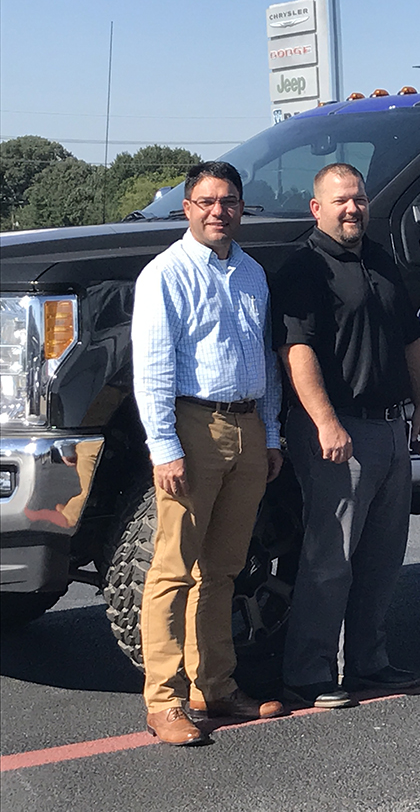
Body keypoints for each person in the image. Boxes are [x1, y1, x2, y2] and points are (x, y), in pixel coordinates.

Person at [131, 161, 286, 746]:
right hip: (192, 428)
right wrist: (164, 447)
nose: (218, 211)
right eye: (206, 201)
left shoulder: (252, 273)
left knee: (221, 570)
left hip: (247, 428)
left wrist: (269, 434)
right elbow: (151, 371)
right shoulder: (164, 276)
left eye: (229, 201)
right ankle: (164, 701)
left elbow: (267, 364)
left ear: (241, 208)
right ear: (187, 208)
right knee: (172, 570)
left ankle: (215, 686)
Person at [274, 163, 420, 708]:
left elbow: (412, 339)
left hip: (391, 428)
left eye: (359, 199)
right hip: (339, 432)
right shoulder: (304, 268)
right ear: (316, 208)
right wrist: (325, 421)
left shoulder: (382, 260)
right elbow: (298, 352)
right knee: (329, 558)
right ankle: (309, 671)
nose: (352, 209)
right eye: (340, 201)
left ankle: (369, 662)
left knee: (382, 557)